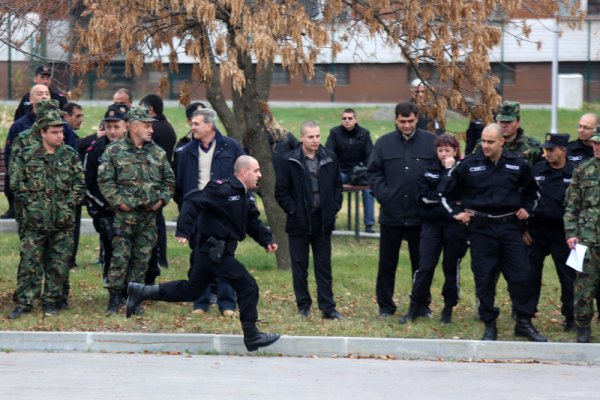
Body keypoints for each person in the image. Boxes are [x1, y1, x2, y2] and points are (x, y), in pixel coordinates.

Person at [125, 155, 280, 352]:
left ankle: (141, 292)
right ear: (243, 172)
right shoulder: (222, 189)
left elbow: (252, 222)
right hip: (213, 252)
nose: (260, 174)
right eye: (256, 170)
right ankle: (252, 336)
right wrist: (183, 230)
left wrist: (267, 240)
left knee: (192, 290)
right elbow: (192, 201)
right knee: (248, 286)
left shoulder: (245, 195)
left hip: (216, 253)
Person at [440, 123, 547, 342]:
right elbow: (445, 194)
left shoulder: (518, 164)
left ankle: (524, 322)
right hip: (481, 229)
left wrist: (527, 209)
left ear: (502, 142)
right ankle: (489, 324)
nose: (485, 146)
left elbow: (533, 194)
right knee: (485, 277)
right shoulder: (469, 165)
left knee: (522, 274)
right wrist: (457, 213)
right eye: (483, 141)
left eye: (490, 142)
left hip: (509, 228)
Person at [7, 108, 84, 319]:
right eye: (55, 132)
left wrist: (68, 206)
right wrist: (32, 207)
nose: (60, 136)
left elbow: (79, 185)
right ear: (43, 132)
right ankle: (24, 302)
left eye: (61, 132)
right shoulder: (27, 155)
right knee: (29, 264)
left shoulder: (69, 155)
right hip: (34, 221)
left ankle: (51, 301)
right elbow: (16, 182)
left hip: (62, 221)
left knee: (58, 264)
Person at [97, 107, 174, 315]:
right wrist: (119, 202)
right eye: (146, 126)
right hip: (124, 216)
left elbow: (169, 181)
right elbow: (105, 181)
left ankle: (134, 298)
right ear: (133, 127)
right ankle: (115, 297)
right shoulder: (114, 151)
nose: (151, 130)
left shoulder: (157, 152)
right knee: (120, 257)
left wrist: (161, 201)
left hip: (148, 217)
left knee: (142, 258)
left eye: (151, 126)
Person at [367, 101, 437, 318]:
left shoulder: (431, 142)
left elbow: (438, 173)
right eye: (402, 121)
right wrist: (385, 196)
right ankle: (385, 306)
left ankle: (421, 305)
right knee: (387, 263)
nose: (406, 125)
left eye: (410, 121)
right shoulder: (383, 143)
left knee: (421, 264)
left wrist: (428, 198)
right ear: (396, 120)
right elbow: (374, 174)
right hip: (392, 214)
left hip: (420, 215)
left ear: (417, 118)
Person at [175, 108, 244, 317]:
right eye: (192, 123)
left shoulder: (231, 147)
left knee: (225, 256)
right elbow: (180, 186)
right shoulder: (186, 151)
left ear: (209, 125)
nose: (192, 127)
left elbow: (242, 177)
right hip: (197, 212)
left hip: (224, 213)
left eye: (196, 123)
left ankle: (227, 304)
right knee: (199, 258)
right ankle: (200, 302)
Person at [275, 121, 343, 319]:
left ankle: (328, 307)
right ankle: (303, 305)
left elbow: (337, 187)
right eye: (311, 137)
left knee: (323, 266)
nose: (315, 140)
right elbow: (281, 191)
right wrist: (293, 210)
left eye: (318, 136)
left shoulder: (330, 157)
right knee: (300, 266)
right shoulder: (289, 160)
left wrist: (333, 207)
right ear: (302, 137)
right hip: (299, 220)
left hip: (323, 220)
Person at [399, 134, 468, 324]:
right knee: (425, 266)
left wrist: (445, 192)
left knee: (450, 267)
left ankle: (448, 308)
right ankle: (414, 307)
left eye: (448, 150)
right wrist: (447, 198)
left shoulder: (462, 171)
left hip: (455, 227)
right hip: (431, 225)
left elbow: (464, 198)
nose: (444, 154)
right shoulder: (428, 170)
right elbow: (426, 198)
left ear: (456, 151)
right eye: (440, 150)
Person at [524, 133, 575, 332]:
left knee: (567, 277)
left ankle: (570, 316)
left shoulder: (574, 173)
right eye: (546, 149)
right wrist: (524, 228)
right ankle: (526, 315)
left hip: (562, 234)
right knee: (530, 275)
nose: (548, 153)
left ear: (564, 150)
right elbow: (525, 198)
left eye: (552, 150)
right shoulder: (536, 170)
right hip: (537, 231)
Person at [83, 105, 128, 285]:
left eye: (116, 126)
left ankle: (132, 288)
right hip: (106, 210)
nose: (112, 131)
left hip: (131, 209)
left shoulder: (135, 149)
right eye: (108, 127)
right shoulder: (96, 150)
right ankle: (113, 289)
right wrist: (106, 205)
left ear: (126, 126)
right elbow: (88, 183)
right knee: (110, 247)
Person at [564, 127, 600, 343]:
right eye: (595, 144)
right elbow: (571, 206)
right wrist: (571, 232)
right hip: (586, 238)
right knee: (584, 286)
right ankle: (583, 326)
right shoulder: (582, 170)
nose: (596, 147)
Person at [139, 94, 177, 274]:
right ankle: (161, 258)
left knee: (153, 223)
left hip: (153, 182)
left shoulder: (154, 129)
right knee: (158, 222)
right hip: (162, 182)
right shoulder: (168, 127)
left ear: (151, 110)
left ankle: (156, 258)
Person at [2, 84, 52, 219]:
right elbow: (10, 155)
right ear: (31, 99)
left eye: (47, 93)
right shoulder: (20, 125)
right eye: (39, 93)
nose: (44, 96)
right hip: (28, 188)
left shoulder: (60, 125)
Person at [326, 108, 375, 233]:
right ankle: (330, 220)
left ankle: (369, 225)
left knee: (369, 190)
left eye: (350, 118)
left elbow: (370, 155)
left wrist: (363, 170)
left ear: (355, 119)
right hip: (341, 171)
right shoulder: (335, 133)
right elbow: (329, 153)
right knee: (330, 185)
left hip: (359, 173)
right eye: (344, 118)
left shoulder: (364, 133)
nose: (347, 121)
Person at [63, 101, 85, 268]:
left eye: (82, 116)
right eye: (77, 116)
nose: (81, 119)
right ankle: (69, 260)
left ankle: (70, 259)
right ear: (66, 116)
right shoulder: (66, 133)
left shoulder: (71, 133)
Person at [494, 101, 542, 165]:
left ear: (518, 122)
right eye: (501, 121)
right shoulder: (487, 144)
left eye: (508, 122)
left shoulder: (532, 147)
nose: (504, 125)